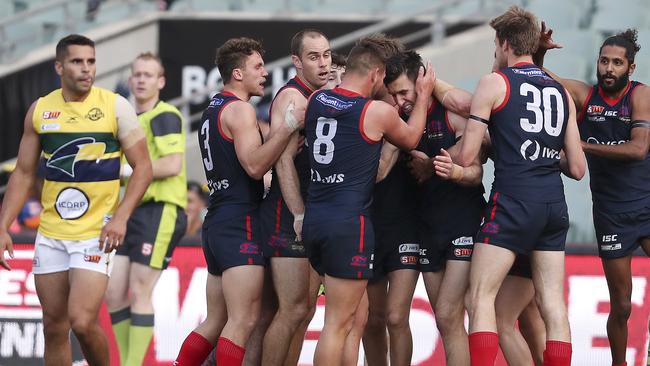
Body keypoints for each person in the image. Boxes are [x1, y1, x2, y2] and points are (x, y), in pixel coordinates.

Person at [0, 34, 152, 365]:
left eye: (91, 61)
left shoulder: (115, 106)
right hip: (52, 233)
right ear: (59, 67)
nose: (86, 69)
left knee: (82, 321)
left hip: (96, 234)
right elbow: (24, 174)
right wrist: (2, 226)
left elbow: (143, 169)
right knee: (54, 327)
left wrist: (122, 217)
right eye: (77, 61)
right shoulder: (40, 110)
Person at [454, 6, 585, 366]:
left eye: (496, 45)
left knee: (478, 298)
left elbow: (467, 157)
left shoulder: (494, 83)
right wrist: (539, 155)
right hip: (553, 207)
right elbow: (577, 167)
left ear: (505, 43)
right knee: (553, 306)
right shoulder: (559, 91)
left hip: (513, 204)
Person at [303, 34, 435, 366]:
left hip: (315, 220)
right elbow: (412, 137)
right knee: (337, 324)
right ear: (376, 75)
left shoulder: (318, 100)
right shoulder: (375, 112)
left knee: (353, 319)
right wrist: (423, 97)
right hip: (349, 226)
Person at [173, 37, 304, 366]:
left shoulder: (213, 107)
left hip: (217, 220)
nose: (265, 74)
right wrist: (286, 129)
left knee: (215, 321)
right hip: (240, 222)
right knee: (243, 321)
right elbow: (255, 165)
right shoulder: (241, 109)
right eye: (257, 67)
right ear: (236, 74)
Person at [536, 26, 650, 366]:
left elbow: (638, 149)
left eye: (617, 63)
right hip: (611, 214)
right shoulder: (586, 97)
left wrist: (579, 146)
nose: (608, 68)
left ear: (630, 68)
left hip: (646, 206)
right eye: (604, 61)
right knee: (623, 305)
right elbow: (540, 78)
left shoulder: (641, 96)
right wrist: (540, 53)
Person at [105, 52, 188, 366]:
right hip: (130, 212)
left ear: (161, 81)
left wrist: (128, 171)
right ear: (130, 79)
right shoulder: (128, 120)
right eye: (137, 74)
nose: (141, 80)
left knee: (140, 289)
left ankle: (132, 364)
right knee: (113, 294)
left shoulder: (164, 115)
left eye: (148, 75)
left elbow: (172, 163)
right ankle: (127, 361)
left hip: (161, 209)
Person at [257, 29, 331, 366]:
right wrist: (298, 214)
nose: (323, 63)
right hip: (286, 215)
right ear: (297, 61)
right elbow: (283, 161)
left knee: (304, 310)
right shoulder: (292, 98)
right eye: (314, 57)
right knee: (292, 309)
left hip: (311, 213)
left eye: (327, 55)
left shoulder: (321, 95)